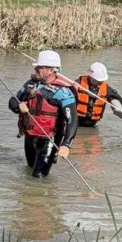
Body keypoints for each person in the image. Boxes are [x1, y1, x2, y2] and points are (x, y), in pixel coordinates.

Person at [8, 50, 78, 178]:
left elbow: (72, 120)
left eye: (40, 67)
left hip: (49, 139)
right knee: (29, 170)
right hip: (29, 137)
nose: (36, 69)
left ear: (50, 70)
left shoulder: (63, 92)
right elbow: (12, 101)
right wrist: (18, 107)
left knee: (38, 177)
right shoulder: (30, 84)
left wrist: (66, 145)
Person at [74, 62, 122, 127]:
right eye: (98, 81)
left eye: (102, 81)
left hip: (91, 126)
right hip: (74, 123)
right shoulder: (76, 84)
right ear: (90, 77)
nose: (101, 82)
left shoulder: (107, 89)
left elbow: (116, 105)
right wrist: (73, 87)